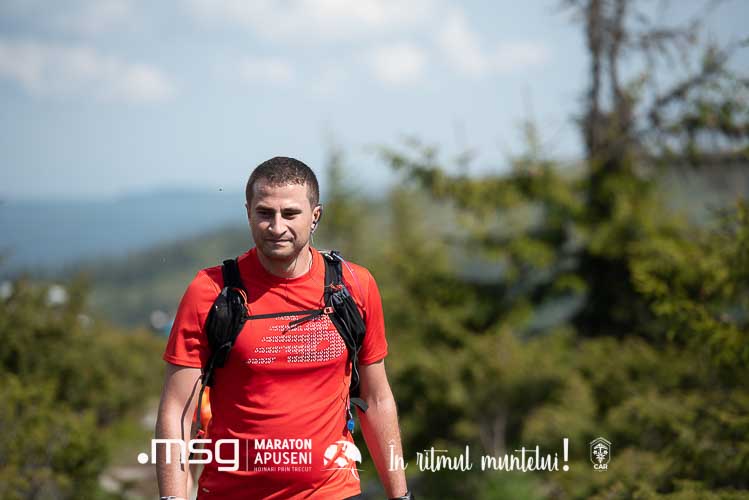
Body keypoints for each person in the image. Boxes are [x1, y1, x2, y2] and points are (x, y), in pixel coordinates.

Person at [155, 157, 411, 500]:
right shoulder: (211, 291)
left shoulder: (354, 286)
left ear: (315, 216)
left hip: (333, 492)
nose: (277, 227)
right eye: (265, 213)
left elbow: (377, 400)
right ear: (248, 212)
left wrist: (400, 495)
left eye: (290, 214)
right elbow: (177, 410)